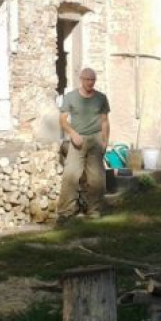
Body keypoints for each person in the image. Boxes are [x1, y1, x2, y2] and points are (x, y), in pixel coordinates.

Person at [56, 68, 110, 222]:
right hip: (77, 140)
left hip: (96, 140)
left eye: (93, 80)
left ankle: (94, 210)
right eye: (87, 79)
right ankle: (65, 213)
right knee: (70, 175)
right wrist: (72, 134)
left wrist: (105, 141)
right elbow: (62, 121)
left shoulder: (101, 98)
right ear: (81, 79)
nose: (90, 83)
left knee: (97, 178)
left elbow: (104, 121)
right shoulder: (70, 97)